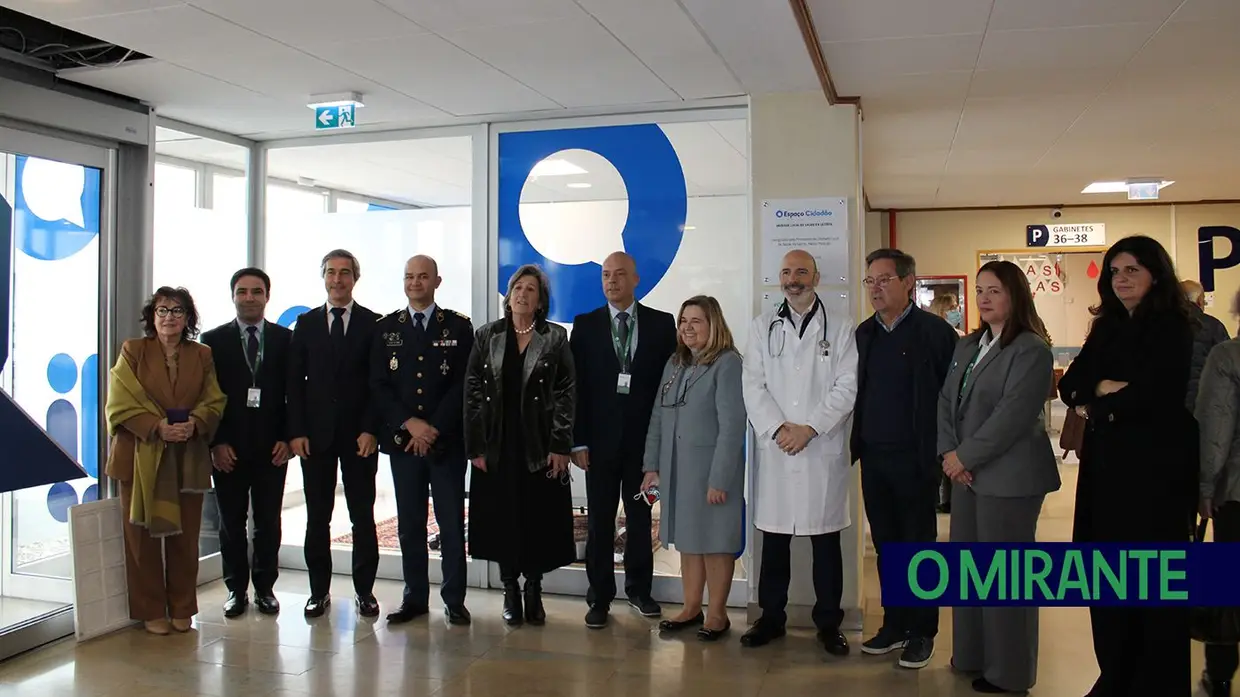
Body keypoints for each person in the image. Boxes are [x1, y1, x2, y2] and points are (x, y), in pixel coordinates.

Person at [1058, 235, 1197, 697]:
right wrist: (1101, 389)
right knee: (1107, 582)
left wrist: (1099, 404)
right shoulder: (1108, 327)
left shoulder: (1173, 327)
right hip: (1107, 475)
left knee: (1154, 587)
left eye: (1131, 270)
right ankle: (1115, 676)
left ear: (1155, 273)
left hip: (1156, 478)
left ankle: (1154, 684)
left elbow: (1158, 396)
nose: (1121, 280)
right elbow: (1071, 386)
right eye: (1115, 271)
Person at [937, 261, 1060, 694]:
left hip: (1009, 479)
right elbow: (946, 401)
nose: (986, 298)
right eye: (981, 290)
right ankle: (970, 654)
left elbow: (1013, 416)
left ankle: (1009, 673)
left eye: (995, 290)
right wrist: (951, 455)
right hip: (966, 476)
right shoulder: (969, 345)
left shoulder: (1031, 349)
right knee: (970, 572)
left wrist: (964, 456)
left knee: (1006, 577)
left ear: (1016, 296)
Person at [739, 250, 858, 655]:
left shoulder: (841, 328)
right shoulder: (761, 328)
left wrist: (809, 428)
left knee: (825, 544)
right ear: (779, 278)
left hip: (819, 446)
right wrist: (777, 429)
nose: (794, 279)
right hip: (777, 450)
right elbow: (753, 385)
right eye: (786, 271)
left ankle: (828, 624)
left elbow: (846, 387)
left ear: (816, 277)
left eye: (801, 272)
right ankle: (771, 618)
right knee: (774, 543)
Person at [851, 248, 958, 669]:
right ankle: (894, 624)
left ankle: (922, 631)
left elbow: (952, 400)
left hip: (916, 460)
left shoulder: (935, 334)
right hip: (874, 459)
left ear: (909, 282)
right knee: (887, 547)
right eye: (870, 282)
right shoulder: (864, 335)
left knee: (919, 546)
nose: (876, 289)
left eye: (884, 280)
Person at [104, 287, 226, 635]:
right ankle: (150, 609)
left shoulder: (201, 355)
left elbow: (214, 399)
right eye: (162, 310)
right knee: (141, 538)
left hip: (186, 454)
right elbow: (119, 402)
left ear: (188, 318)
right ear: (151, 316)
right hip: (140, 455)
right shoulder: (133, 351)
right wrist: (156, 427)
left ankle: (183, 606)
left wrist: (195, 423)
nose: (169, 316)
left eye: (177, 310)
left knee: (186, 538)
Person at [464, 264, 576, 626]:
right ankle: (510, 589)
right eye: (517, 289)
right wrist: (476, 446)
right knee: (502, 520)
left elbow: (566, 393)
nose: (522, 295)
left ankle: (534, 588)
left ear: (540, 300)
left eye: (531, 289)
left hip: (539, 448)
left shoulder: (555, 338)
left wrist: (560, 446)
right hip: (497, 446)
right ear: (508, 296)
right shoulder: (487, 336)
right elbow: (472, 391)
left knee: (536, 520)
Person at [570, 251, 677, 628]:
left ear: (636, 280)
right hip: (596, 448)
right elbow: (576, 389)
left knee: (640, 515)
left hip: (643, 448)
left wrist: (662, 446)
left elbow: (669, 389)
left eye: (619, 275)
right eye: (605, 275)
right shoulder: (584, 326)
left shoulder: (663, 326)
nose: (611, 281)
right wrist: (577, 441)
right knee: (600, 521)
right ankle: (598, 597)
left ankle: (639, 591)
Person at [370, 255, 474, 626]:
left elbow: (464, 383)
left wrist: (432, 429)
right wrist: (411, 424)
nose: (415, 282)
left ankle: (454, 599)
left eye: (423, 276)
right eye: (409, 276)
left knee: (449, 523)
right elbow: (379, 386)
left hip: (446, 443)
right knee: (410, 523)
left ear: (437, 281)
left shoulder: (459, 327)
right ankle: (414, 597)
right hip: (403, 442)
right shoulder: (386, 328)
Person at [642, 295, 746, 642]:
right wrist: (652, 465)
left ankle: (717, 614)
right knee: (689, 541)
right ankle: (690, 607)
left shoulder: (728, 364)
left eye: (696, 321)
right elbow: (657, 417)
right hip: (677, 470)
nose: (687, 328)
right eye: (683, 321)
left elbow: (732, 426)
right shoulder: (676, 363)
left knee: (715, 543)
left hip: (710, 471)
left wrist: (720, 478)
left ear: (713, 324)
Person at [287, 249, 383, 619]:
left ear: (355, 278)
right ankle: (318, 592)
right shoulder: (306, 324)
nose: (338, 279)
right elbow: (294, 385)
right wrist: (296, 432)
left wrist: (371, 429)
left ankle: (365, 592)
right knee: (318, 518)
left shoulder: (372, 324)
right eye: (331, 272)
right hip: (316, 438)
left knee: (362, 516)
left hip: (360, 439)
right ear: (323, 278)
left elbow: (378, 384)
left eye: (345, 273)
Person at [201, 268, 292, 619]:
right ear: (233, 296)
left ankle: (266, 588)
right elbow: (206, 397)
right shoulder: (212, 341)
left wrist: (287, 438)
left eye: (257, 291)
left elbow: (293, 395)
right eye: (243, 291)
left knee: (268, 522)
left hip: (273, 449)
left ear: (267, 296)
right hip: (229, 450)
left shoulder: (285, 340)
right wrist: (216, 443)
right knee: (231, 522)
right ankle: (235, 589)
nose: (250, 297)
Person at [1197, 302, 1240, 697]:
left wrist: (1205, 487)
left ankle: (1222, 674)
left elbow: (1216, 427)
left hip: (1237, 494)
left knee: (1227, 581)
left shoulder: (1229, 356)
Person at [1182, 279, 1230, 411]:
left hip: (1168, 403)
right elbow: (1228, 364)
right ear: (1199, 301)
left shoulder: (1158, 325)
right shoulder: (1214, 326)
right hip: (1205, 400)